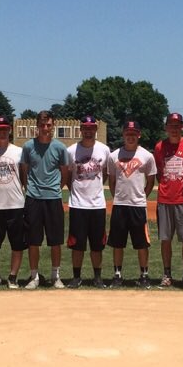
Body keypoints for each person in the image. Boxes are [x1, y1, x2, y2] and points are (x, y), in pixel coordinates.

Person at [20, 110, 70, 288]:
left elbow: (65, 173)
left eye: (48, 125)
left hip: (53, 198)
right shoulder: (28, 146)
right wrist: (29, 188)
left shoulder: (60, 148)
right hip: (33, 198)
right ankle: (34, 277)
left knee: (55, 240)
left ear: (53, 126)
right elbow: (24, 170)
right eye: (42, 125)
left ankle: (55, 276)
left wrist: (56, 188)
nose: (45, 128)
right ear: (37, 126)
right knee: (33, 240)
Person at [106, 120, 157, 287]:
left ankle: (144, 275)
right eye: (128, 133)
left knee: (142, 243)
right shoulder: (114, 156)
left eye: (134, 133)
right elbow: (112, 181)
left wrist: (141, 196)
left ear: (139, 135)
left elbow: (150, 181)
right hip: (120, 205)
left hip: (138, 206)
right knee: (117, 243)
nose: (130, 136)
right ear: (123, 134)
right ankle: (117, 274)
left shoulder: (147, 156)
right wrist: (118, 197)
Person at [65, 115, 112, 288]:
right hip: (78, 205)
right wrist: (76, 190)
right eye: (85, 128)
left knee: (97, 245)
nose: (88, 131)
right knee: (77, 244)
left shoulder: (104, 150)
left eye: (91, 128)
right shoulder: (71, 151)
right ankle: (76, 277)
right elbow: (68, 175)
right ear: (81, 130)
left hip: (97, 205)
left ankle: (97, 277)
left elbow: (105, 173)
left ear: (95, 130)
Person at [153, 111, 183, 287]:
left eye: (177, 125)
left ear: (182, 127)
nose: (174, 128)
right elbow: (159, 173)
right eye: (171, 125)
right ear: (166, 127)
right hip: (164, 199)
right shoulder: (159, 147)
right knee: (165, 239)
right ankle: (167, 274)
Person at [0, 116, 26, 289]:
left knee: (18, 244)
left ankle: (13, 277)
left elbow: (24, 176)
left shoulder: (19, 151)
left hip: (16, 204)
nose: (2, 132)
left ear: (10, 130)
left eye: (5, 129)